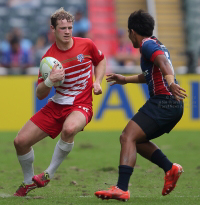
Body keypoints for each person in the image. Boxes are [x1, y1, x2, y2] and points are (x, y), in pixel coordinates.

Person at [95, 10, 187, 202]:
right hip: (172, 104)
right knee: (136, 140)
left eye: (129, 35)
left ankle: (121, 188)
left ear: (132, 32)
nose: (130, 39)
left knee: (127, 137)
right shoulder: (156, 43)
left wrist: (170, 83)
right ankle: (170, 168)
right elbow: (152, 74)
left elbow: (164, 64)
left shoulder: (147, 45)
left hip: (164, 101)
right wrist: (126, 80)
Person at [14, 7, 106, 197]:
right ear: (53, 29)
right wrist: (50, 80)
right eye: (62, 28)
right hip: (57, 105)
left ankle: (49, 173)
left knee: (70, 129)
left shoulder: (86, 44)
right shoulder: (48, 58)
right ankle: (27, 181)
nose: (67, 32)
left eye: (70, 28)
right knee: (20, 142)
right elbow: (40, 94)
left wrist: (97, 82)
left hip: (81, 105)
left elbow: (101, 61)